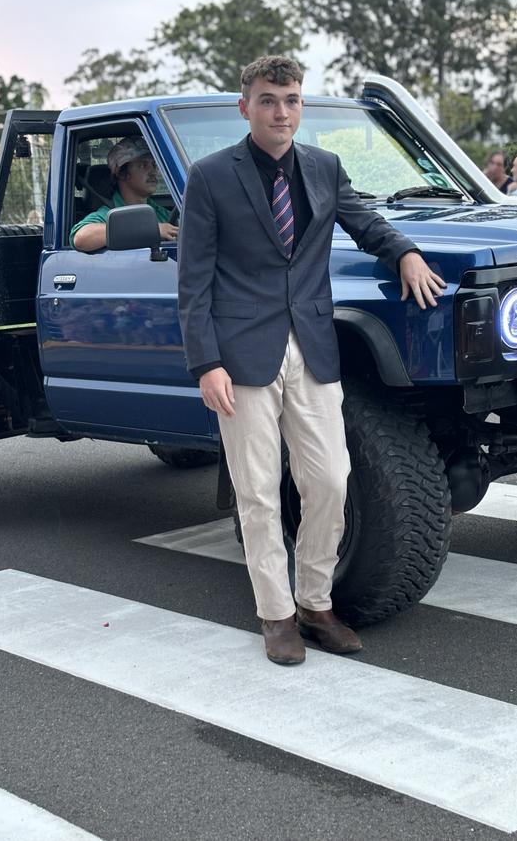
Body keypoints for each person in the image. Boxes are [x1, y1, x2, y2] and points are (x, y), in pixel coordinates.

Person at [178, 55, 446, 666]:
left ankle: (316, 601)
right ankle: (276, 616)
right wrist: (205, 364)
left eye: (292, 99)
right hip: (241, 356)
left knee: (329, 480)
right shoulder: (212, 177)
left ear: (303, 105)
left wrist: (403, 253)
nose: (282, 111)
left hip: (315, 348)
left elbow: (365, 222)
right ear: (245, 106)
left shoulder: (325, 168)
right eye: (269, 99)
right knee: (258, 492)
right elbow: (193, 282)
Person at [70, 136, 178, 251]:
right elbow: (81, 238)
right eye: (143, 165)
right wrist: (148, 230)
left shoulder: (160, 213)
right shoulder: (108, 215)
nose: (153, 172)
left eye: (154, 164)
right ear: (121, 173)